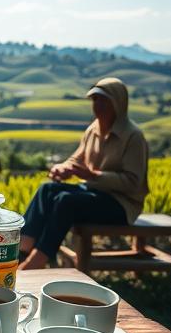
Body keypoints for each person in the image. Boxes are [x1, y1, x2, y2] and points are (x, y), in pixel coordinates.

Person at [18, 77, 149, 269]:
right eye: (95, 100)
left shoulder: (133, 136)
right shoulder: (93, 130)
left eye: (105, 100)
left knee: (66, 201)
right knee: (47, 190)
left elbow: (133, 182)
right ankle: (23, 250)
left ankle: (37, 261)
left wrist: (93, 175)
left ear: (119, 104)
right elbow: (76, 159)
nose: (98, 105)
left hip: (121, 205)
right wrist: (62, 169)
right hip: (93, 192)